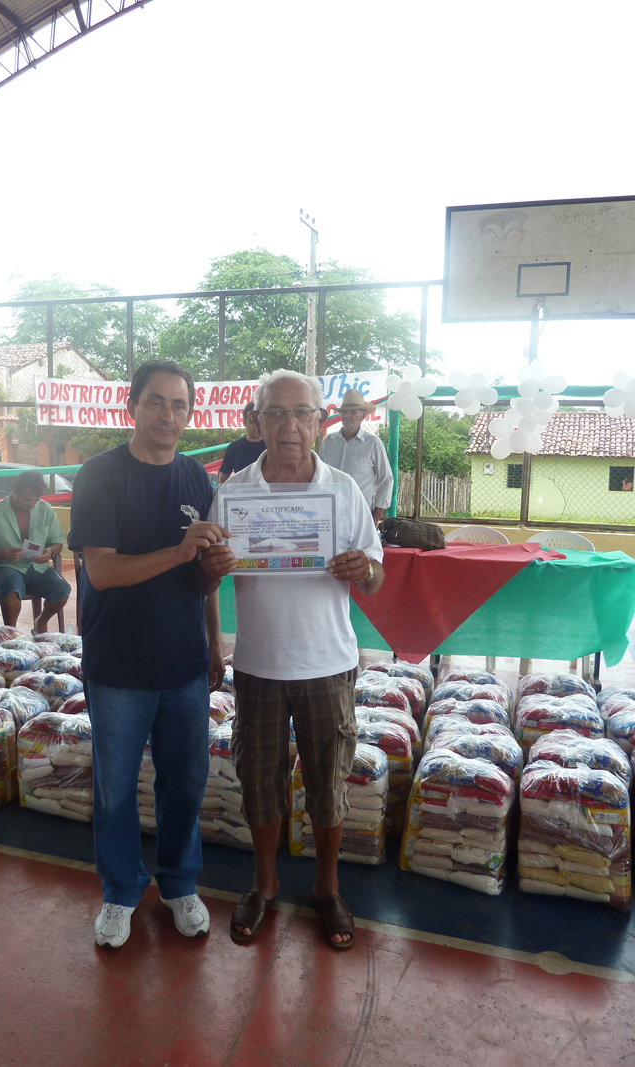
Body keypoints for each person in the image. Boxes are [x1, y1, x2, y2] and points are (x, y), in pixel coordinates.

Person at [200, 369, 384, 951]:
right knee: (260, 781)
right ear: (256, 422)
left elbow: (376, 574)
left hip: (328, 662)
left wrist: (364, 570)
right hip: (259, 664)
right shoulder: (234, 493)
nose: (289, 426)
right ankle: (265, 882)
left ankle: (327, 888)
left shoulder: (343, 491)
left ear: (319, 422)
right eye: (275, 413)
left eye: (302, 413)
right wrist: (210, 581)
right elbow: (206, 580)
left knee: (329, 782)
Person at [68, 358, 227, 950]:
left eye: (179, 404)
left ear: (190, 414)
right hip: (118, 665)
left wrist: (214, 641)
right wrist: (179, 552)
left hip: (184, 663)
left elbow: (204, 577)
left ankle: (180, 882)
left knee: (186, 779)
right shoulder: (100, 474)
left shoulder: (197, 480)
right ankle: (119, 892)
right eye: (155, 401)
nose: (167, 414)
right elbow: (102, 571)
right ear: (131, 406)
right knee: (115, 786)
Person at [0, 471, 70, 633]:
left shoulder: (45, 509)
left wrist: (50, 552)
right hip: (7, 567)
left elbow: (57, 542)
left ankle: (41, 621)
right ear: (15, 492)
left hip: (39, 567)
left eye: (36, 500)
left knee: (62, 590)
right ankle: (11, 632)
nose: (32, 504)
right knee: (11, 588)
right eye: (27, 499)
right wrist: (3, 554)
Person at [318, 388, 394, 525]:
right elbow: (319, 476)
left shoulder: (373, 443)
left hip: (361, 515)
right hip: (329, 514)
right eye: (344, 412)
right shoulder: (328, 442)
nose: (347, 415)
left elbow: (386, 479)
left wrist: (376, 516)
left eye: (353, 412)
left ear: (363, 415)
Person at [218, 402, 264, 484]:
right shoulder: (233, 448)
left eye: (259, 422)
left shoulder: (272, 446)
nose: (256, 426)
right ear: (244, 422)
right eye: (252, 422)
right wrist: (222, 491)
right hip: (241, 491)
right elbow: (223, 476)